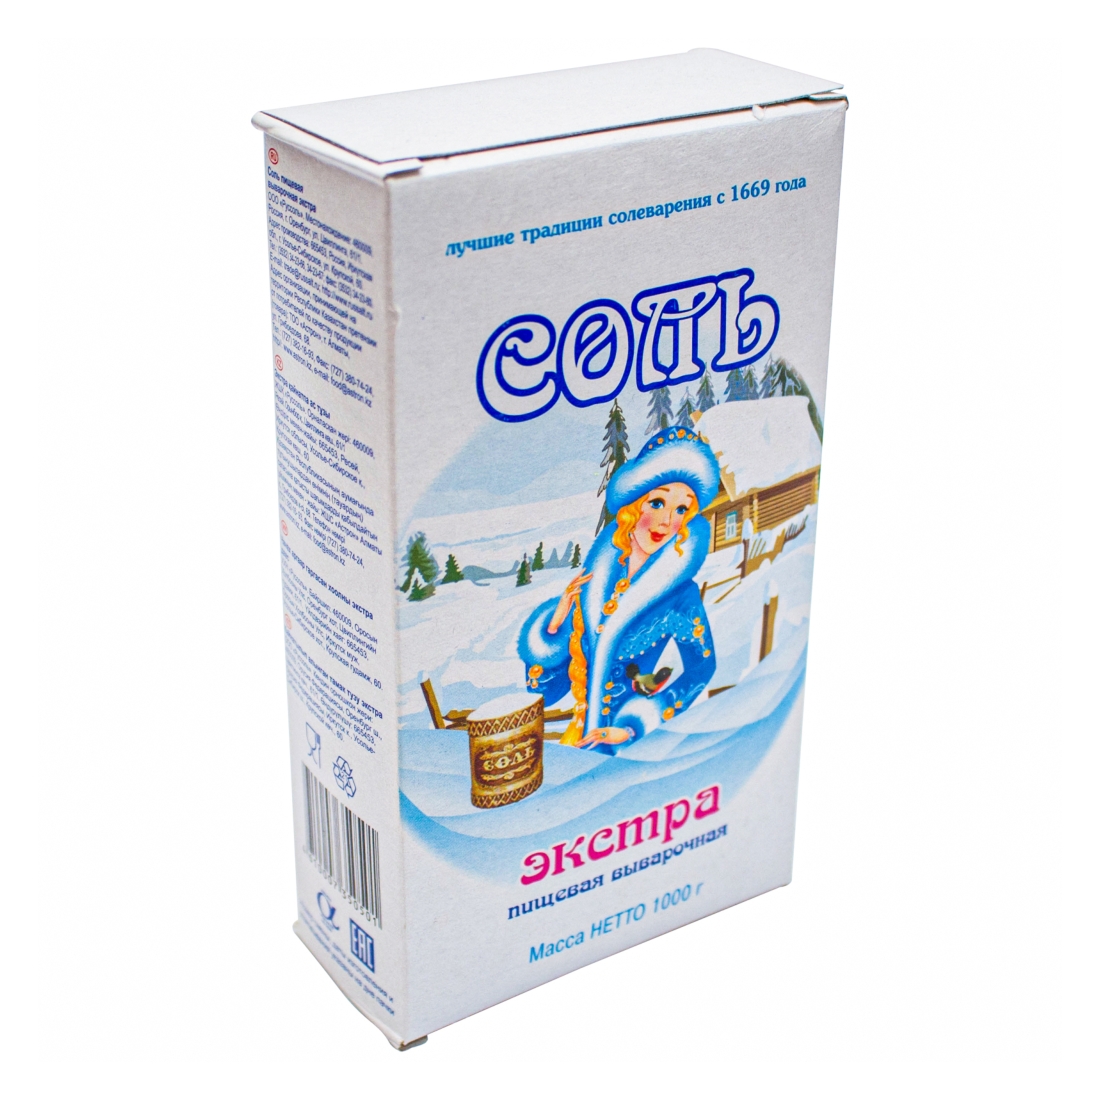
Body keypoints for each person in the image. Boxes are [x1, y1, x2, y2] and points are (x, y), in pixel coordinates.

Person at [518, 426, 720, 752]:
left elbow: (701, 669)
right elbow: (546, 692)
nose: (667, 521)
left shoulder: (681, 597)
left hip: (630, 747)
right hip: (580, 742)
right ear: (633, 507)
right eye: (658, 502)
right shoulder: (594, 584)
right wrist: (553, 629)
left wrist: (633, 727)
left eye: (682, 509)